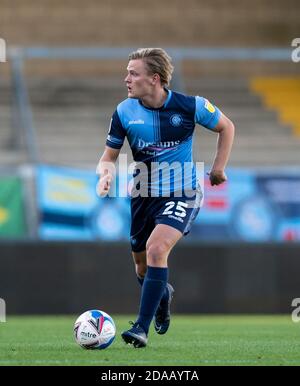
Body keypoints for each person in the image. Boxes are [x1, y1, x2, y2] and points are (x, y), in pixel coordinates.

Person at [96, 48, 235, 348]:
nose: (126, 79)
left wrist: (218, 168)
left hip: (182, 192)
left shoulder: (191, 106)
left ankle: (140, 329)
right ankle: (163, 295)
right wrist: (105, 174)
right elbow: (108, 156)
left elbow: (227, 127)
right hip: (143, 193)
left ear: (154, 79)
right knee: (142, 267)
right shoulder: (123, 112)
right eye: (127, 72)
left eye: (133, 73)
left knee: (157, 248)